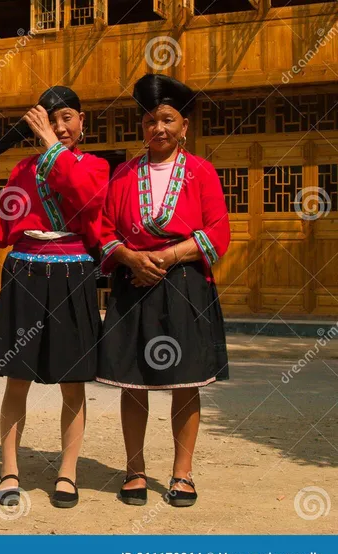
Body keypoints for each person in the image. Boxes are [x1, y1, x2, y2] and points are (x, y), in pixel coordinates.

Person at [0, 87, 109, 508]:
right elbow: (1, 230)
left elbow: (86, 197)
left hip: (74, 276)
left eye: (68, 117)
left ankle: (67, 472)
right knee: (18, 380)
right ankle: (9, 469)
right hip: (25, 275)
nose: (60, 127)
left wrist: (52, 147)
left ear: (83, 122)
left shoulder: (96, 166)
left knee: (73, 384)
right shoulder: (24, 171)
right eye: (52, 120)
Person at [97, 73, 230, 508]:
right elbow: (105, 230)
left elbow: (217, 232)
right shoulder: (123, 173)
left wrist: (166, 258)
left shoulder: (201, 172)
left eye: (169, 119)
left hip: (184, 285)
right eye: (151, 120)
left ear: (184, 126)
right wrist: (132, 259)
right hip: (133, 284)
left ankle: (182, 474)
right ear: (142, 127)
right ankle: (135, 470)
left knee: (184, 382)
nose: (160, 128)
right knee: (132, 382)